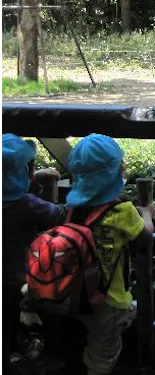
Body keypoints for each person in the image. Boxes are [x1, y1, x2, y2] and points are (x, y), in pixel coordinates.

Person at [63, 133, 155, 375]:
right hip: (109, 300)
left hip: (76, 294)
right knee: (103, 355)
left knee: (87, 339)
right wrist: (146, 212)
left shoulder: (73, 210)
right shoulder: (122, 211)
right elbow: (145, 234)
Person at [1, 134, 66, 375]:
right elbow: (59, 214)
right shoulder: (27, 205)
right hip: (20, 280)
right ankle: (54, 352)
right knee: (48, 313)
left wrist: (33, 179)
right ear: (24, 174)